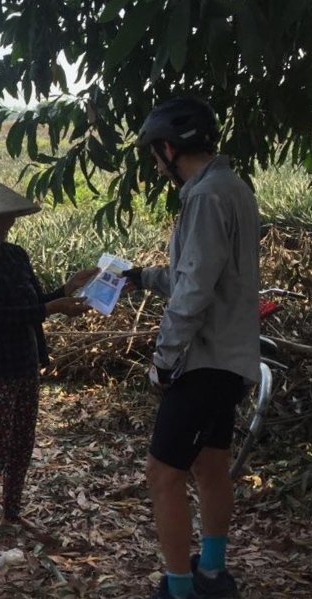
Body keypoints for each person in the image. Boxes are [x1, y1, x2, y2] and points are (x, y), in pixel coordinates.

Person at [122, 98, 260, 599]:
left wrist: (163, 359)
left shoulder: (203, 198)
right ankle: (213, 572)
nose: (156, 166)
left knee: (163, 474)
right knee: (210, 463)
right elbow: (200, 274)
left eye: (154, 155)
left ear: (167, 148)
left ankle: (180, 588)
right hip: (232, 357)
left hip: (204, 360)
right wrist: (140, 277)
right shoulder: (231, 187)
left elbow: (196, 290)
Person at [0, 179, 98, 549]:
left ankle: (11, 514)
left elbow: (32, 303)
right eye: (0, 218)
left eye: (9, 217)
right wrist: (50, 308)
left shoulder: (17, 256)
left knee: (21, 444)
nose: (8, 223)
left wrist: (64, 292)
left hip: (24, 363)